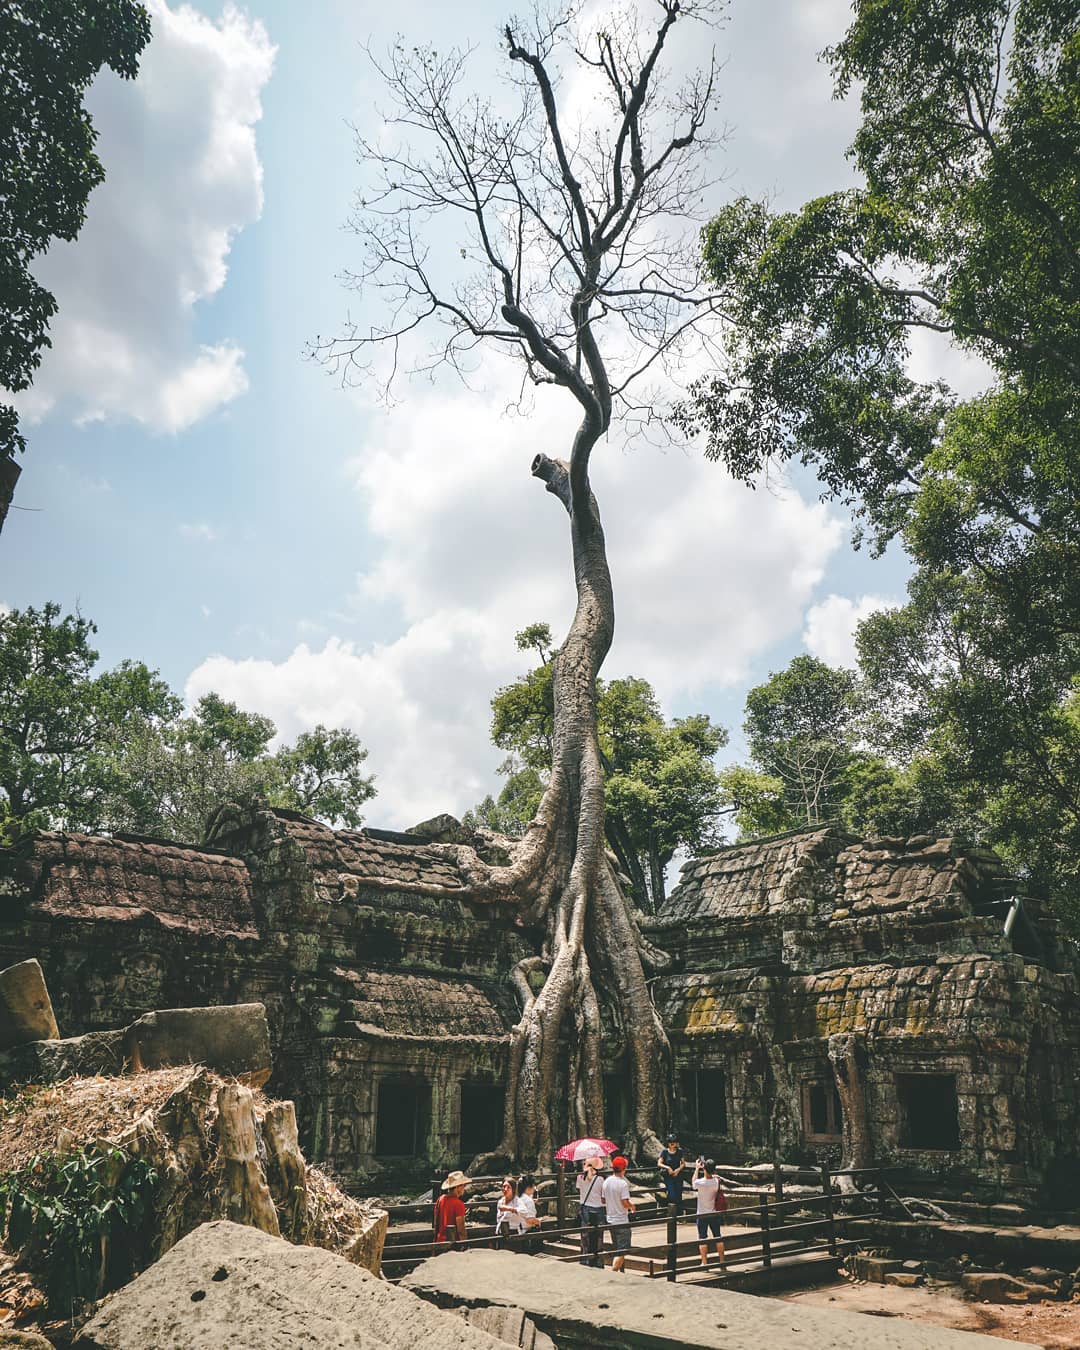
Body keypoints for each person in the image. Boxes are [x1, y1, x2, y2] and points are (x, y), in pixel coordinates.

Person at [691, 1157, 726, 1268]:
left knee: (702, 1238)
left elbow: (693, 1183)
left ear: (704, 1169)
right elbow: (716, 1178)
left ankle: (704, 1262)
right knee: (718, 1236)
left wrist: (697, 1168)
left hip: (702, 1213)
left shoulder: (700, 1183)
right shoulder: (716, 1181)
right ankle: (722, 1262)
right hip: (714, 1212)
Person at [602, 1154, 635, 1272]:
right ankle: (613, 1271)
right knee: (623, 1249)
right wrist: (632, 1206)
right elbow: (624, 1202)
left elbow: (603, 1199)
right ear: (623, 1169)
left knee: (617, 1248)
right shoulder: (623, 1184)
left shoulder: (606, 1181)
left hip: (610, 1219)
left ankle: (621, 1271)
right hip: (621, 1220)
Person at [576, 1155, 606, 1267]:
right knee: (598, 1236)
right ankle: (597, 1261)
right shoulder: (600, 1179)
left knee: (584, 1236)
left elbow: (580, 1189)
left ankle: (584, 1260)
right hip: (597, 1209)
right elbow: (603, 1197)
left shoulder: (579, 1177)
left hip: (584, 1209)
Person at [433, 1169, 468, 1251]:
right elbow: (461, 1230)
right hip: (453, 1245)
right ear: (457, 1187)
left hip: (439, 1242)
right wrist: (465, 1245)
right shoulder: (459, 1204)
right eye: (463, 1185)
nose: (464, 1187)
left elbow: (436, 1223)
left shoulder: (440, 1199)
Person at [657, 1133, 686, 1216]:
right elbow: (659, 1163)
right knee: (671, 1194)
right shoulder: (665, 1152)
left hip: (678, 1176)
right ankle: (672, 1214)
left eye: (674, 1141)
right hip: (669, 1177)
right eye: (670, 1142)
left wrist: (678, 1170)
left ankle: (679, 1214)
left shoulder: (679, 1151)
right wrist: (668, 1168)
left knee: (678, 1194)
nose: (672, 1143)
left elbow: (683, 1163)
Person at [516, 1175, 541, 1252]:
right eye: (534, 1186)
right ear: (529, 1187)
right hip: (525, 1231)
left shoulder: (518, 1198)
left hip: (516, 1228)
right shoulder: (528, 1201)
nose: (534, 1188)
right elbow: (530, 1221)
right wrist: (538, 1222)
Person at [496, 1176, 520, 1244]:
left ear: (513, 1189)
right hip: (501, 1232)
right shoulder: (500, 1201)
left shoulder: (518, 1202)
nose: (505, 1189)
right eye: (504, 1186)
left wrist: (509, 1209)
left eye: (508, 1187)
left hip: (513, 1233)